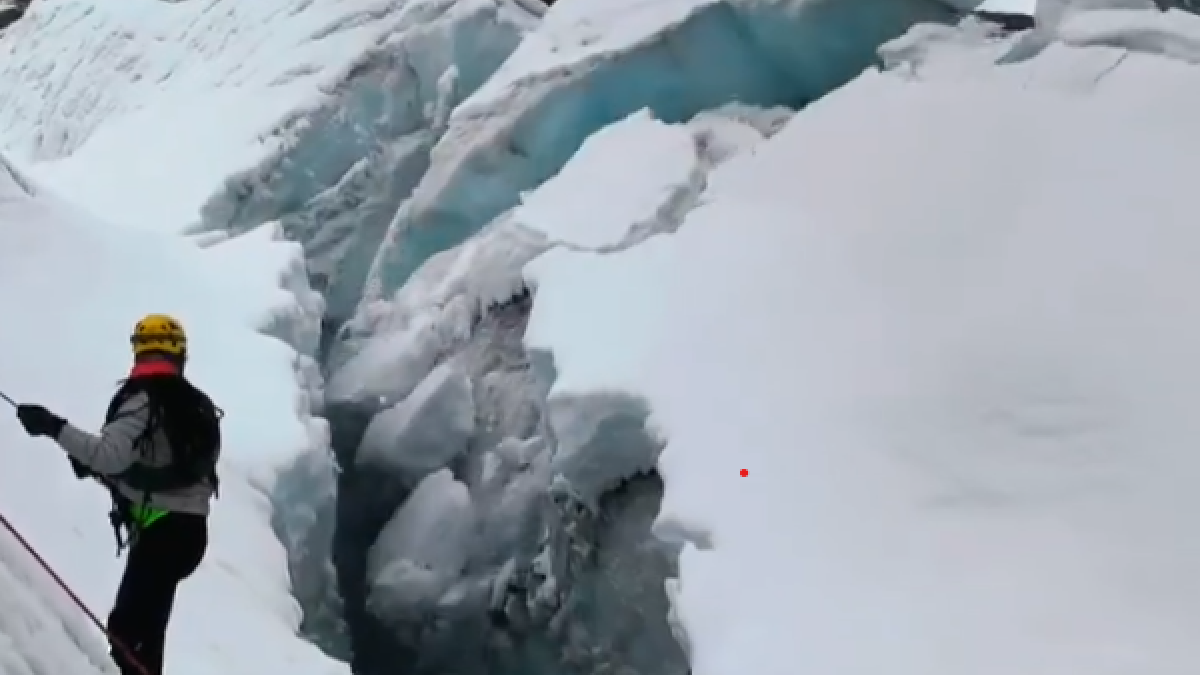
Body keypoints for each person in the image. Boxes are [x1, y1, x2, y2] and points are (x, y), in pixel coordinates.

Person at [14, 314, 222, 675]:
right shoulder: (192, 405)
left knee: (128, 632)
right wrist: (101, 470)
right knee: (145, 634)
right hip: (188, 532)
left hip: (161, 532)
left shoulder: (143, 401)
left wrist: (53, 427)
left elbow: (109, 456)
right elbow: (162, 471)